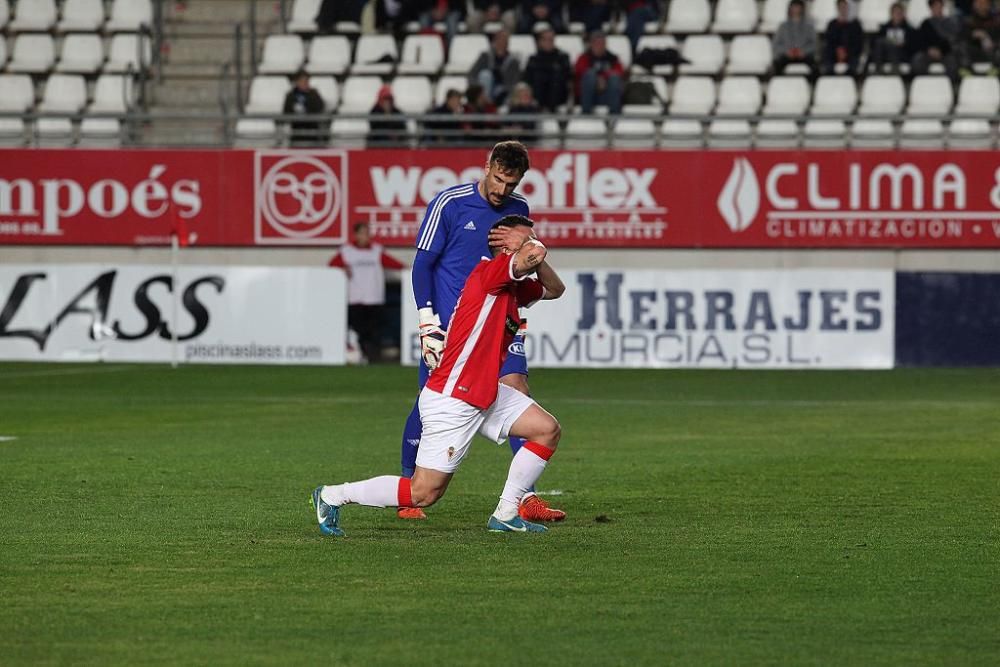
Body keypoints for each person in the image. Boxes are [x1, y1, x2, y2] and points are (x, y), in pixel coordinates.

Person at [311, 215, 566, 537]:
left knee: (546, 430)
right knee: (424, 493)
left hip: (484, 391)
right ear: (506, 246)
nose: (533, 242)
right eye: (525, 238)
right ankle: (333, 495)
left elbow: (556, 289)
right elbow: (533, 254)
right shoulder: (490, 274)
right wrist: (528, 248)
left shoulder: (514, 286)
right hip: (454, 397)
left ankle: (505, 513)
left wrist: (530, 251)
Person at [398, 140, 566, 523]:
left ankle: (523, 499)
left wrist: (532, 249)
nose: (501, 190)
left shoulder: (518, 210)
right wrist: (428, 321)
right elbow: (422, 265)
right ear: (486, 165)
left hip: (499, 319)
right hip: (451, 329)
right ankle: (410, 486)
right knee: (429, 401)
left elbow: (525, 261)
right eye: (497, 179)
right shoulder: (450, 203)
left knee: (518, 388)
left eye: (511, 183)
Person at [328, 222, 404, 364]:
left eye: (367, 233)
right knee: (359, 330)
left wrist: (410, 268)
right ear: (356, 235)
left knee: (375, 331)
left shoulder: (376, 250)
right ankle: (360, 354)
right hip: (355, 298)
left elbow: (394, 264)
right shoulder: (347, 251)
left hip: (374, 298)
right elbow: (331, 265)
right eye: (362, 233)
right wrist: (342, 268)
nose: (365, 236)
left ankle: (373, 357)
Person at [521, 27, 573, 111]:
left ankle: (550, 109)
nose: (548, 42)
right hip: (537, 98)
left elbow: (568, 78)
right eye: (545, 39)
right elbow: (527, 80)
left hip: (558, 97)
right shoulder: (533, 59)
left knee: (556, 76)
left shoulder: (562, 58)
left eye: (551, 39)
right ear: (539, 42)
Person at [574, 30, 625, 114]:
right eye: (597, 43)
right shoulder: (583, 58)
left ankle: (614, 116)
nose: (600, 46)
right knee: (590, 75)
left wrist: (604, 79)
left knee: (614, 78)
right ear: (591, 44)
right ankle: (586, 114)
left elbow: (620, 72)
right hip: (588, 95)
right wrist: (597, 80)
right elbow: (579, 72)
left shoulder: (613, 59)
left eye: (602, 43)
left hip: (607, 95)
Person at [469, 29, 522, 105]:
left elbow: (514, 81)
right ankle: (486, 104)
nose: (501, 43)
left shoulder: (513, 61)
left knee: (506, 92)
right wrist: (477, 90)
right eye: (499, 39)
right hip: (483, 90)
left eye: (504, 40)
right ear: (494, 41)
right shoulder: (485, 56)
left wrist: (504, 89)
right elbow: (472, 75)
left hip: (502, 91)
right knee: (485, 75)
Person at [912, 0, 960, 78]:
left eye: (939, 6)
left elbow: (952, 41)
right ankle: (924, 85)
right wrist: (929, 50)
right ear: (931, 8)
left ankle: (949, 86)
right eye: (935, 6)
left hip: (945, 53)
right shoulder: (926, 24)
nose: (937, 8)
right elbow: (920, 41)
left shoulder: (950, 23)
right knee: (918, 61)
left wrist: (941, 51)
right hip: (928, 53)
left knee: (952, 63)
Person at [771, 0, 818, 77]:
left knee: (815, 67)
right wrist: (787, 51)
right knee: (777, 65)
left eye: (798, 7)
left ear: (802, 9)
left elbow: (814, 44)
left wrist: (803, 51)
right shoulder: (783, 26)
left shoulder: (809, 26)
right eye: (794, 7)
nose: (796, 9)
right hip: (787, 56)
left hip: (804, 56)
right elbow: (776, 45)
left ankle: (812, 86)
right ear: (790, 9)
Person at [869, 2, 919, 74]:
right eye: (895, 12)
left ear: (903, 14)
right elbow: (874, 43)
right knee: (880, 42)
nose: (897, 15)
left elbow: (914, 46)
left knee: (889, 45)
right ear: (891, 14)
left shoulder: (910, 30)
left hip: (902, 54)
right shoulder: (884, 28)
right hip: (886, 55)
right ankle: (878, 70)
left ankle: (893, 71)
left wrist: (904, 43)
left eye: (900, 13)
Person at [282, 71, 326, 147]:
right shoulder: (291, 95)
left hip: (312, 128)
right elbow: (286, 111)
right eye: (302, 81)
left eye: (306, 81)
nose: (304, 83)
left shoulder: (314, 94)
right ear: (297, 82)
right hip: (296, 129)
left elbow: (320, 107)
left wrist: (307, 111)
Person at [957, 0, 1000, 75]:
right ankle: (967, 72)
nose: (981, 6)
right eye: (979, 3)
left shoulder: (995, 21)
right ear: (975, 5)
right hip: (974, 52)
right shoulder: (969, 20)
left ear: (988, 5)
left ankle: (995, 71)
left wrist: (990, 40)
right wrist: (973, 34)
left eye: (984, 3)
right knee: (961, 45)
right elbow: (961, 36)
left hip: (992, 52)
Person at [822, 0, 864, 75]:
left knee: (855, 60)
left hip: (850, 54)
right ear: (837, 8)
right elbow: (829, 41)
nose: (843, 9)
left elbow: (858, 43)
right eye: (841, 7)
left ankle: (852, 78)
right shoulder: (832, 24)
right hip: (834, 54)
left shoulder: (855, 25)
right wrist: (837, 51)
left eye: (844, 7)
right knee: (826, 55)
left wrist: (846, 51)